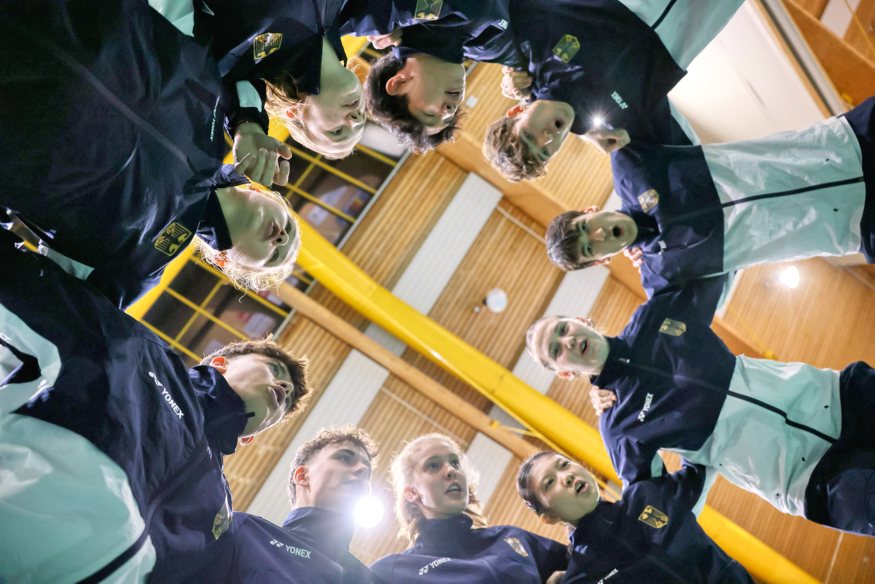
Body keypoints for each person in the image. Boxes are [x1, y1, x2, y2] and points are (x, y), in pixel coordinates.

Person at [0, 234, 311, 582]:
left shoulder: (220, 515)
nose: (282, 387)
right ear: (221, 362)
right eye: (275, 371)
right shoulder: (139, 352)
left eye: (282, 414)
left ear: (250, 441)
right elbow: (25, 282)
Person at [0, 0, 301, 307]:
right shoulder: (226, 118)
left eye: (274, 255)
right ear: (261, 191)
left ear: (225, 262)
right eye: (289, 227)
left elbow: (32, 303)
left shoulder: (135, 272)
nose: (281, 238)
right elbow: (233, 34)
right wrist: (249, 124)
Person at [525, 275, 875, 537]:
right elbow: (661, 502)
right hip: (809, 480)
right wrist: (702, 461)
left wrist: (644, 237)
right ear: (566, 372)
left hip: (838, 397)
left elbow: (710, 257)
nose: (567, 340)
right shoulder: (618, 426)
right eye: (556, 350)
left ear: (581, 321)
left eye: (562, 329)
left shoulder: (656, 314)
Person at [544, 97, 875, 296]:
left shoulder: (632, 165)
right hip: (858, 225)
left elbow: (627, 87)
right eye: (592, 248)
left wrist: (578, 122)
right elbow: (669, 352)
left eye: (586, 226)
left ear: (588, 210)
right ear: (601, 260)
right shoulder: (663, 276)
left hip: (845, 144)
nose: (599, 235)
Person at [483, 0, 745, 182]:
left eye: (529, 136)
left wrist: (510, 67)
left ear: (517, 110)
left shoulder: (533, 51)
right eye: (544, 153)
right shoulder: (615, 128)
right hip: (694, 25)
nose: (547, 138)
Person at [517, 451, 753, 583]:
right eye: (549, 483)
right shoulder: (581, 578)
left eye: (564, 464)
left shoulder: (646, 495)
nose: (565, 477)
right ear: (549, 517)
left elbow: (702, 452)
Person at [370, 433, 569, 582]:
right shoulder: (393, 571)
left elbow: (590, 563)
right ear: (411, 492)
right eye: (433, 466)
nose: (450, 471)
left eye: (455, 463)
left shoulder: (512, 537)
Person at [185, 0, 367, 163]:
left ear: (294, 113)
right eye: (364, 118)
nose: (356, 120)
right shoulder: (342, 9)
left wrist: (247, 125)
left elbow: (227, 83)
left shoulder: (243, 55)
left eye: (337, 132)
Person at [204, 426, 380, 582]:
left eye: (368, 470)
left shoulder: (371, 580)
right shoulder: (245, 533)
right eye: (344, 458)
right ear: (302, 476)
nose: (362, 470)